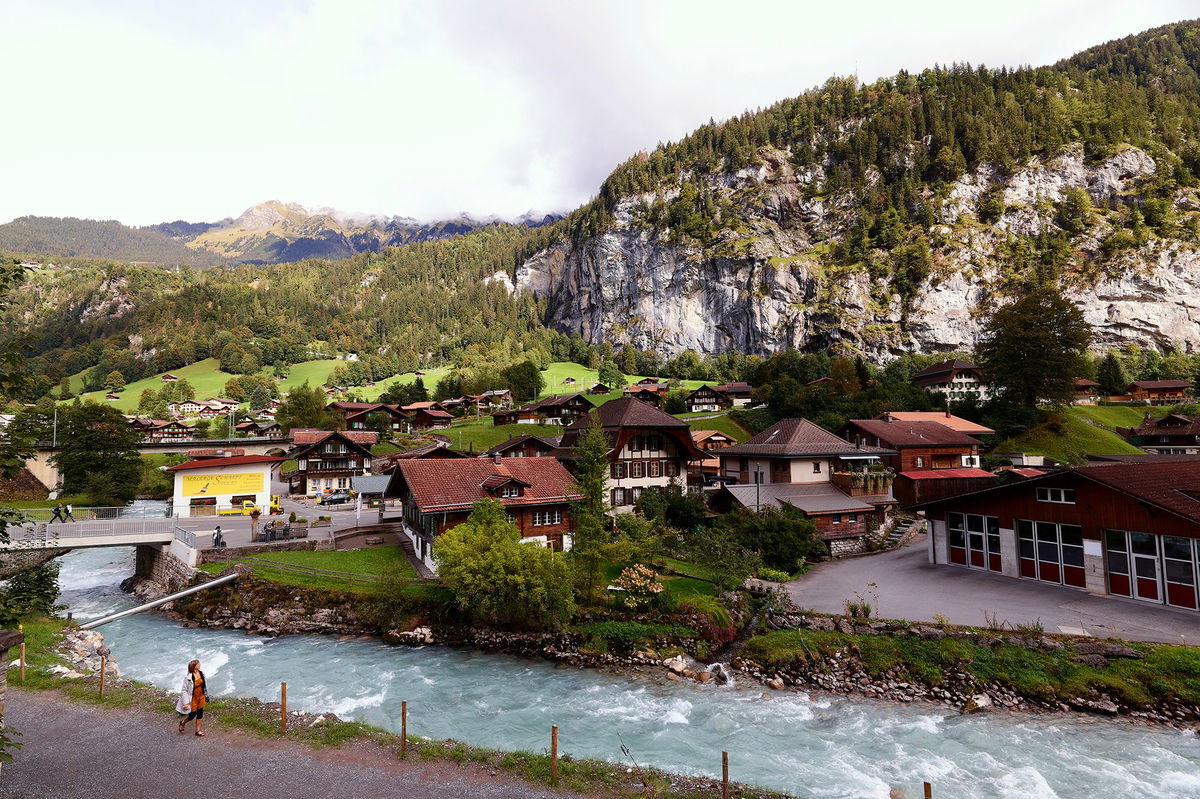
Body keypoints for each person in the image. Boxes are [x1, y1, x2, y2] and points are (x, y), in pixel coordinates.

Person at [176, 659, 209, 736]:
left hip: (201, 696)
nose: (200, 664)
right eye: (198, 664)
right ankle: (183, 722)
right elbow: (184, 690)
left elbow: (204, 685)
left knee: (200, 713)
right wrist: (186, 702)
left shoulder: (201, 673)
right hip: (193, 698)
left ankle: (198, 731)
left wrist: (206, 694)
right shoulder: (188, 678)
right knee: (192, 715)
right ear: (194, 667)